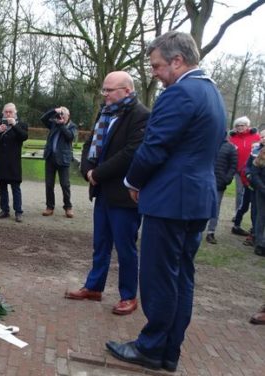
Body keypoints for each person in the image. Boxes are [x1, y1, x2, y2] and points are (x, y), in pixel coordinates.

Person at [106, 31, 226, 373]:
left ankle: (150, 347)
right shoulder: (212, 93)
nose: (155, 73)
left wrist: (133, 181)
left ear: (177, 61)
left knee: (159, 277)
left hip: (170, 200)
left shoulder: (180, 93)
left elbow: (155, 147)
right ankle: (168, 350)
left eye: (158, 66)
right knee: (181, 277)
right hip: (196, 199)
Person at [67, 71, 149, 316]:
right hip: (102, 191)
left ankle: (128, 296)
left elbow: (131, 153)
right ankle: (94, 287)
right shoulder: (105, 112)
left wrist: (98, 173)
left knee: (125, 248)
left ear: (127, 90)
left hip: (124, 195)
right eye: (103, 90)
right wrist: (87, 170)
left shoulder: (141, 115)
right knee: (100, 244)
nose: (104, 95)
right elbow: (90, 144)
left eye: (109, 90)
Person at [0, 103, 28, 223]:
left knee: (15, 187)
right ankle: (4, 210)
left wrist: (14, 125)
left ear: (15, 113)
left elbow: (24, 137)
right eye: (6, 112)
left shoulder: (21, 125)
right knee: (2, 187)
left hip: (13, 162)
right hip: (0, 161)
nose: (8, 114)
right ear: (3, 112)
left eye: (10, 112)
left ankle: (18, 212)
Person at [40, 106, 77, 218]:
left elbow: (70, 137)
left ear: (68, 116)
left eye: (63, 114)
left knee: (65, 184)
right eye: (60, 114)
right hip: (50, 158)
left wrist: (61, 125)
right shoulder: (53, 123)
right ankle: (50, 207)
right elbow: (43, 119)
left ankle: (68, 207)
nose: (61, 116)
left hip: (63, 159)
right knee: (49, 184)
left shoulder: (72, 126)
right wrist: (54, 111)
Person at [229, 116, 259, 237]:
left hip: (253, 171)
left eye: (243, 125)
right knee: (240, 193)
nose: (240, 128)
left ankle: (255, 221)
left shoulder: (256, 137)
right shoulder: (232, 138)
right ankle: (237, 215)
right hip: (238, 171)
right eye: (238, 126)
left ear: (248, 126)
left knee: (253, 195)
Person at [205, 137, 238, 244]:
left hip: (219, 182)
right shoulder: (208, 143)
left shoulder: (230, 148)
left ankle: (211, 232)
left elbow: (233, 165)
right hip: (204, 180)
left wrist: (227, 179)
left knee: (215, 207)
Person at [246, 143, 265, 257]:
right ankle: (260, 244)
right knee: (261, 217)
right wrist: (262, 188)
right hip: (262, 192)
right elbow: (254, 174)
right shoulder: (261, 156)